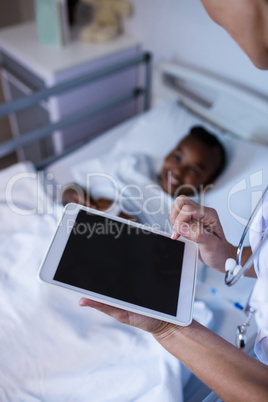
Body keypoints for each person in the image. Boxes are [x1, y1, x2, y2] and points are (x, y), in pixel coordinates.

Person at [78, 0, 268, 400]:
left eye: (195, 171)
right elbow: (76, 191)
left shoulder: (178, 214)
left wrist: (166, 326)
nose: (208, 8)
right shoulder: (132, 169)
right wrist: (233, 254)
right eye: (178, 157)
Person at [62, 125, 225, 218]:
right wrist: (72, 195)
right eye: (177, 157)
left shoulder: (185, 215)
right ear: (168, 152)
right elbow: (75, 184)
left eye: (194, 170)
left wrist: (118, 215)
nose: (178, 170)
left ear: (208, 184)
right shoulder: (134, 163)